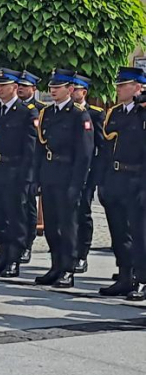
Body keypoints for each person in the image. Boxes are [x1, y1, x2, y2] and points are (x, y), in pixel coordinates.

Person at [34, 68, 93, 288]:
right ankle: (55, 265)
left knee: (68, 227)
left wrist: (77, 185)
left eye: (57, 88)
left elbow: (84, 154)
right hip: (50, 174)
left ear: (70, 89)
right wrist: (38, 177)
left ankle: (68, 269)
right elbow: (41, 147)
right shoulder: (47, 113)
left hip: (68, 175)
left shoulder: (79, 114)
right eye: (51, 87)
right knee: (51, 225)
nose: (53, 91)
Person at [0, 68, 37, 278]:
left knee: (15, 218)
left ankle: (13, 258)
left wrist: (27, 178)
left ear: (15, 87)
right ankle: (2, 255)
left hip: (15, 171)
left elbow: (30, 149)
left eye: (4, 85)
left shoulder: (26, 111)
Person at [98, 67, 144, 298]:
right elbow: (106, 149)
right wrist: (103, 181)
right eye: (118, 85)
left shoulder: (142, 112)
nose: (118, 89)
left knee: (139, 232)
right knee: (119, 231)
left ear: (138, 86)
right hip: (116, 177)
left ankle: (141, 278)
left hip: (138, 179)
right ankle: (125, 275)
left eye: (123, 85)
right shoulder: (114, 113)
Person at [70, 73, 105, 274]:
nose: (72, 91)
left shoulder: (95, 113)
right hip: (66, 171)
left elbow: (101, 147)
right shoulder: (65, 112)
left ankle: (82, 254)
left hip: (86, 173)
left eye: (76, 89)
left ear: (84, 92)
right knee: (67, 214)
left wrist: (95, 174)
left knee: (82, 212)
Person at [17, 69, 48, 263]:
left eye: (25, 87)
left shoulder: (40, 110)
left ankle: (26, 245)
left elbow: (38, 144)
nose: (21, 89)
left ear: (34, 89)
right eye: (19, 86)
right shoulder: (9, 108)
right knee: (12, 209)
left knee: (27, 209)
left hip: (29, 168)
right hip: (11, 166)